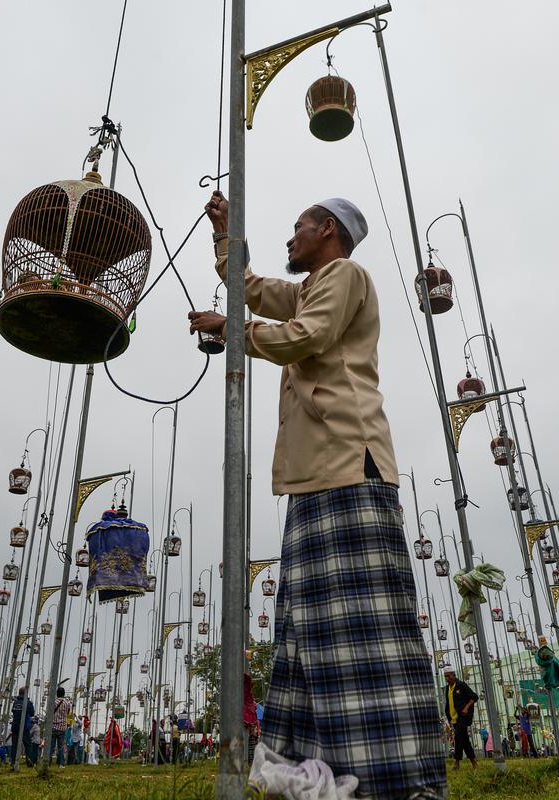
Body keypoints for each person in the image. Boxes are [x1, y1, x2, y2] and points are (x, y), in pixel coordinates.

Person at [190, 192, 446, 800]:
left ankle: (392, 775)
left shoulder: (345, 276)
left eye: (297, 226)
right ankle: (324, 770)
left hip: (349, 465)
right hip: (316, 473)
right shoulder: (312, 284)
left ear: (326, 230)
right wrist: (226, 235)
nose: (291, 237)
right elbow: (249, 288)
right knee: (311, 627)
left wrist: (232, 332)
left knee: (362, 627)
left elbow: (305, 336)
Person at [443, 667, 478, 770]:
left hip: (462, 716)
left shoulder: (461, 685)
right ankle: (473, 761)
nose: (447, 678)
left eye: (448, 676)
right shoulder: (447, 688)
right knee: (464, 740)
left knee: (458, 737)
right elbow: (448, 704)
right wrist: (449, 719)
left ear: (454, 675)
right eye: (445, 676)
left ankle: (456, 762)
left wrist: (466, 708)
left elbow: (474, 697)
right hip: (454, 718)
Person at [10, 687, 34, 767]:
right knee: (28, 745)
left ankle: (13, 761)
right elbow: (32, 713)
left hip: (15, 726)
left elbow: (13, 711)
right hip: (24, 726)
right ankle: (29, 760)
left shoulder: (15, 703)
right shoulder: (28, 703)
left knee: (14, 745)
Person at [50, 686, 71, 768]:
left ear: (57, 693)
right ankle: (61, 764)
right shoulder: (67, 703)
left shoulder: (53, 702)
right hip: (62, 727)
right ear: (64, 694)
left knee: (51, 746)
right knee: (61, 746)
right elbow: (68, 713)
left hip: (53, 726)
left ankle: (48, 763)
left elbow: (50, 712)